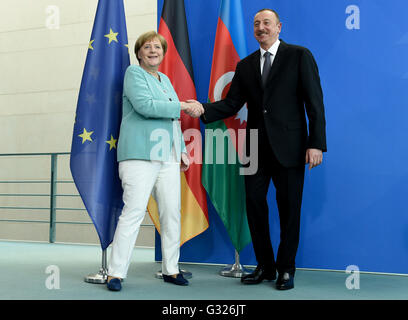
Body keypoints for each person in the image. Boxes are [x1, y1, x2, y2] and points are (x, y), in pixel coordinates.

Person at [188, 9, 327, 290]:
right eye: (256, 24)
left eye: (266, 23)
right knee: (254, 206)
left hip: (291, 147)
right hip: (254, 149)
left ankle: (286, 269)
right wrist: (202, 108)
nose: (260, 27)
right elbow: (231, 103)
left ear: (278, 27)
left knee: (289, 210)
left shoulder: (300, 56)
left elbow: (315, 103)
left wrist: (316, 143)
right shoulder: (246, 65)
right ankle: (265, 266)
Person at [106, 31, 203, 291]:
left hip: (168, 156)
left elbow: (172, 120)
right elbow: (146, 106)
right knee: (133, 212)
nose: (153, 51)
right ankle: (115, 273)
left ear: (163, 53)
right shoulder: (133, 74)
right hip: (139, 155)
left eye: (157, 47)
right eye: (147, 47)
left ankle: (171, 269)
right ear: (139, 53)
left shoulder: (165, 79)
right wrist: (184, 106)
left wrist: (181, 149)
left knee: (172, 213)